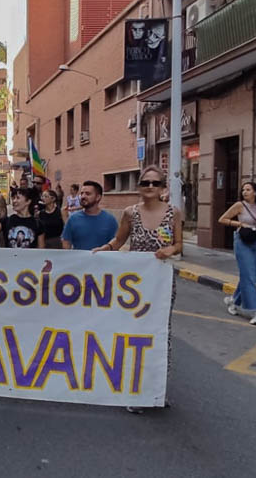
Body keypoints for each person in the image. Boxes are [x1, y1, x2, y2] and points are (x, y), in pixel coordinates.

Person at [96, 166, 182, 413]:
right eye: (146, 182)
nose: (150, 187)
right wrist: (104, 250)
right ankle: (134, 390)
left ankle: (157, 390)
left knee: (160, 334)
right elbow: (119, 240)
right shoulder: (130, 213)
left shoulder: (173, 213)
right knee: (135, 335)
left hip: (162, 285)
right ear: (139, 186)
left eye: (155, 183)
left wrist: (171, 249)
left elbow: (178, 244)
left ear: (163, 187)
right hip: (135, 286)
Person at [218, 181, 256, 326]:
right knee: (249, 277)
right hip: (243, 241)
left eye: (248, 189)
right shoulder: (239, 205)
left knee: (253, 276)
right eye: (243, 190)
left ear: (255, 192)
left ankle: (233, 301)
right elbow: (222, 219)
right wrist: (240, 224)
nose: (244, 192)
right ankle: (255, 312)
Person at [61, 181, 118, 250]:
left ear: (98, 197)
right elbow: (66, 243)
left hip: (102, 257)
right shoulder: (73, 219)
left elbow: (116, 244)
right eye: (82, 193)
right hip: (79, 257)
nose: (83, 196)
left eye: (87, 194)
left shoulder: (110, 220)